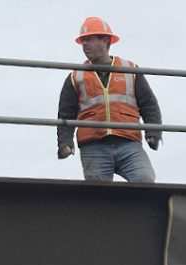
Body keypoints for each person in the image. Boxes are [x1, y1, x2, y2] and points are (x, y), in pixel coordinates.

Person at [57, 16, 162, 183]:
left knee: (145, 180)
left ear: (105, 40)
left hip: (128, 143)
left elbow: (149, 104)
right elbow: (65, 115)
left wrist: (154, 132)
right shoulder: (76, 76)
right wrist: (65, 143)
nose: (84, 45)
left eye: (89, 39)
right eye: (83, 40)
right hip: (93, 145)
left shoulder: (130, 70)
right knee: (100, 195)